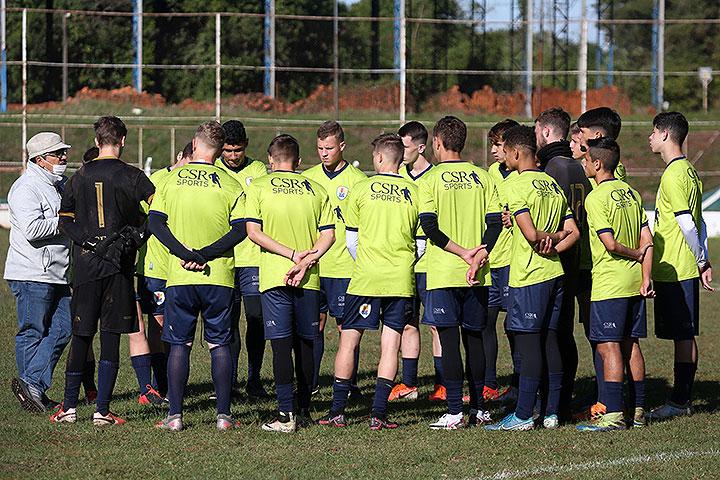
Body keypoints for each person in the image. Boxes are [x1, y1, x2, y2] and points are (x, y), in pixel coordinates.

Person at [51, 116, 154, 426]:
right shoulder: (133, 176)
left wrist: (87, 241)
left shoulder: (78, 176)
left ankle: (69, 408)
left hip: (84, 267)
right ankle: (102, 411)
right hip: (118, 267)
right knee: (110, 338)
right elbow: (160, 210)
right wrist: (138, 234)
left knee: (81, 336)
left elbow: (65, 220)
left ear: (97, 142)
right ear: (122, 140)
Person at [150, 122, 247, 432]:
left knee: (179, 344)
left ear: (194, 143)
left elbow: (155, 223)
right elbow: (241, 229)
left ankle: (175, 416)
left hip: (180, 276)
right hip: (218, 276)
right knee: (219, 344)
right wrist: (205, 255)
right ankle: (223, 416)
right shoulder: (231, 183)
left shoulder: (171, 179)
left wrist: (184, 253)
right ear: (219, 151)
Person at [318, 133, 419, 429]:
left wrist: (367, 261)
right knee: (390, 346)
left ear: (377, 158)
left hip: (364, 277)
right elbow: (421, 244)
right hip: (400, 279)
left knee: (348, 341)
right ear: (400, 160)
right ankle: (378, 414)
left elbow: (351, 241)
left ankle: (337, 411)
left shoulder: (361, 189)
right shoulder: (415, 191)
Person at [486, 125, 579, 431]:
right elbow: (574, 232)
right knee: (551, 341)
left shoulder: (516, 184)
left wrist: (545, 239)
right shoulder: (551, 184)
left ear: (514, 153)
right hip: (556, 273)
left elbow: (530, 234)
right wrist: (555, 245)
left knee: (528, 345)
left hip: (529, 275)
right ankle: (551, 413)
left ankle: (524, 414)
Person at [245, 134, 335, 433]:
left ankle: (285, 415)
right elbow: (329, 236)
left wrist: (291, 256)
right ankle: (305, 410)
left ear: (271, 160)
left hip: (275, 276)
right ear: (298, 161)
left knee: (281, 344)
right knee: (306, 344)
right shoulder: (317, 189)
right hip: (308, 278)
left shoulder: (258, 187)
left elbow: (254, 232)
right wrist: (305, 261)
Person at [418, 116, 503, 429]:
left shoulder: (429, 179)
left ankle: (455, 411)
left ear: (437, 143)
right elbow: (494, 224)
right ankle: (479, 409)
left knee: (449, 341)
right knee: (476, 340)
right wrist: (479, 253)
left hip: (444, 273)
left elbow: (430, 228)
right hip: (478, 272)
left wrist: (462, 252)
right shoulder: (483, 177)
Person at [576, 138, 654, 431]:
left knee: (608, 347)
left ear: (597, 164)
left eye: (586, 160)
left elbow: (609, 243)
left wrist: (633, 254)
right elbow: (648, 240)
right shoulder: (631, 194)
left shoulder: (596, 198)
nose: (584, 164)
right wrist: (645, 274)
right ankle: (638, 410)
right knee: (630, 344)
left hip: (610, 284)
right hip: (635, 282)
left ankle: (613, 414)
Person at [647, 112, 714, 420]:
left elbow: (687, 223)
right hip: (684, 265)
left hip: (676, 265)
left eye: (653, 132)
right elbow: (699, 221)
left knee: (683, 336)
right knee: (684, 335)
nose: (649, 138)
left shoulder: (674, 174)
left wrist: (700, 259)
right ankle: (681, 397)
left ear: (664, 135)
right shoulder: (689, 171)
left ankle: (680, 400)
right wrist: (705, 259)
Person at [7, 132, 72, 413]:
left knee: (66, 326)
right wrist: (65, 222)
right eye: (57, 154)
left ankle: (31, 385)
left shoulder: (59, 184)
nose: (64, 158)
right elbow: (33, 230)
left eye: (63, 152)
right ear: (40, 159)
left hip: (58, 272)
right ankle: (33, 390)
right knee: (33, 332)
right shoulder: (26, 187)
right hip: (32, 271)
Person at [534, 107, 592, 422]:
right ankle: (561, 400)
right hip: (576, 258)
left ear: (544, 131)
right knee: (563, 331)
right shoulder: (578, 167)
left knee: (549, 332)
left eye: (535, 130)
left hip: (555, 257)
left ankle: (550, 402)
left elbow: (549, 220)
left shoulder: (552, 169)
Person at [303, 121, 366, 397]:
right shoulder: (308, 179)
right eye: (319, 148)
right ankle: (311, 383)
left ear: (342, 146)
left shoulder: (359, 181)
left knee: (347, 328)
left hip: (344, 267)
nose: (324, 153)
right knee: (313, 325)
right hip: (315, 267)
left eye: (329, 148)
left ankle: (348, 385)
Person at [131, 141, 193, 406]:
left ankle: (169, 383)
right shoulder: (156, 180)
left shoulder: (194, 184)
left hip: (182, 267)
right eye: (187, 164)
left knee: (178, 327)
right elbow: (143, 221)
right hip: (156, 265)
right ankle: (158, 385)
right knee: (157, 325)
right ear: (180, 156)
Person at [215, 120, 271, 400]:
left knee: (256, 318)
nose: (232, 156)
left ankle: (254, 378)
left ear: (245, 146)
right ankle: (230, 381)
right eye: (227, 150)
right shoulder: (213, 170)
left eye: (237, 150)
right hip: (225, 258)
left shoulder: (258, 169)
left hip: (251, 258)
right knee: (228, 322)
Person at [390, 120, 432, 402]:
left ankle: (443, 383)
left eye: (404, 147)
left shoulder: (435, 177)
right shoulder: (399, 177)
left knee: (438, 324)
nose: (401, 152)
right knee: (407, 322)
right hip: (403, 262)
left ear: (421, 147)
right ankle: (409, 384)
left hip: (431, 261)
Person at [485, 119, 520, 403]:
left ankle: (520, 382)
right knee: (484, 322)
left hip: (512, 260)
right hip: (489, 260)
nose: (494, 151)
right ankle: (488, 383)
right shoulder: (490, 174)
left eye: (497, 145)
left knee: (515, 326)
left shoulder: (526, 174)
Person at [576, 107, 627, 182]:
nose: (578, 136)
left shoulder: (611, 168)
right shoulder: (587, 162)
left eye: (582, 132)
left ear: (597, 135)